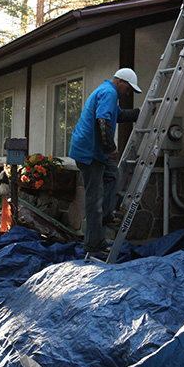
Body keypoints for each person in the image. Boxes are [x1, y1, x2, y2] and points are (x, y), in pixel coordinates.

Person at [69, 68, 143, 256]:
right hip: (89, 153)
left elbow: (120, 116)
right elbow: (103, 121)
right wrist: (110, 147)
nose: (128, 94)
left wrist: (141, 113)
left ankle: (108, 214)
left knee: (112, 175)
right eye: (128, 89)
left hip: (92, 151)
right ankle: (93, 243)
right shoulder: (109, 93)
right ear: (120, 81)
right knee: (94, 199)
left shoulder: (106, 92)